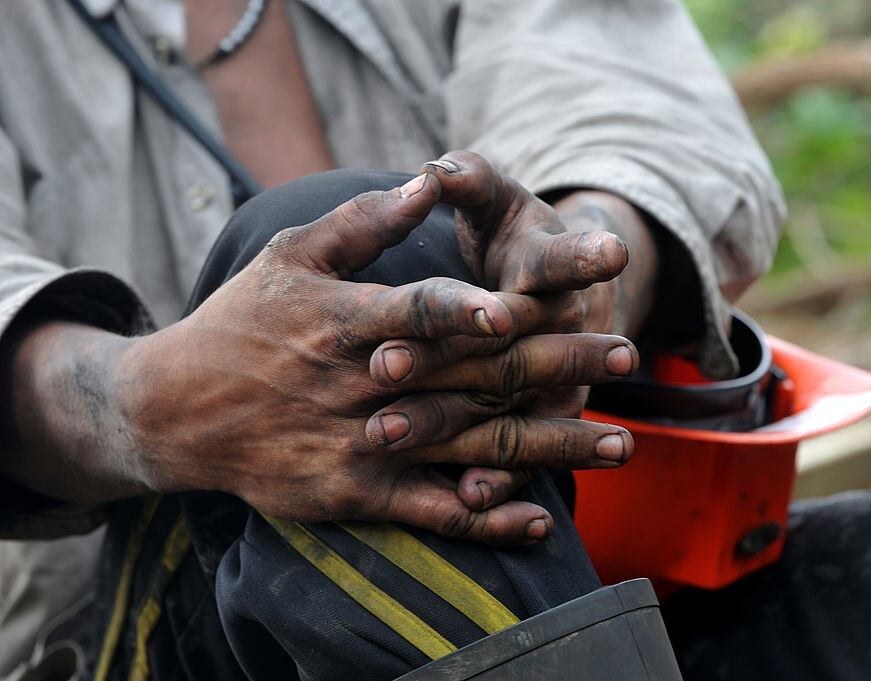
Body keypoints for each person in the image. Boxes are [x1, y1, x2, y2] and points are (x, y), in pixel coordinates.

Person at [0, 1, 783, 679]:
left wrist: (574, 268)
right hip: (129, 633)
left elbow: (645, 125)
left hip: (590, 576)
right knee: (361, 244)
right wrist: (155, 404)